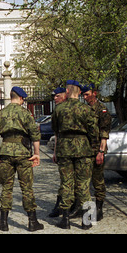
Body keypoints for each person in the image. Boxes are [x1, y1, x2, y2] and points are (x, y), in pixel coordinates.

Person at [0, 86, 44, 232]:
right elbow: (35, 136)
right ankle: (32, 222)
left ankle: (3, 222)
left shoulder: (0, 114)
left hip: (5, 152)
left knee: (6, 187)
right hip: (23, 153)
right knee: (27, 187)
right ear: (20, 98)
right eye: (23, 99)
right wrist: (37, 153)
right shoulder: (26, 114)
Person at [51, 80, 99, 229]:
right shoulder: (86, 109)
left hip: (64, 148)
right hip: (83, 149)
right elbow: (94, 132)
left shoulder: (59, 109)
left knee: (66, 183)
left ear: (66, 91)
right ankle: (87, 221)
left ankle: (65, 219)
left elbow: (55, 128)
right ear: (79, 92)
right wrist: (95, 149)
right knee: (84, 184)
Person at [81, 83, 112, 221]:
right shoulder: (84, 109)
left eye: (87, 94)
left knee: (98, 180)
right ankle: (87, 211)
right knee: (84, 181)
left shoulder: (102, 110)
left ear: (95, 93)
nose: (85, 97)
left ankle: (99, 209)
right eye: (83, 94)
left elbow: (104, 133)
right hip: (85, 150)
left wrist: (101, 151)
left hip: (96, 149)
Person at [48, 87, 67, 218]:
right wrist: (55, 152)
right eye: (54, 96)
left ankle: (66, 210)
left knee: (81, 182)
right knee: (65, 180)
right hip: (64, 150)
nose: (55, 98)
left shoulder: (68, 108)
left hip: (79, 151)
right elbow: (56, 133)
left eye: (57, 96)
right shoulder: (57, 111)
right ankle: (63, 209)